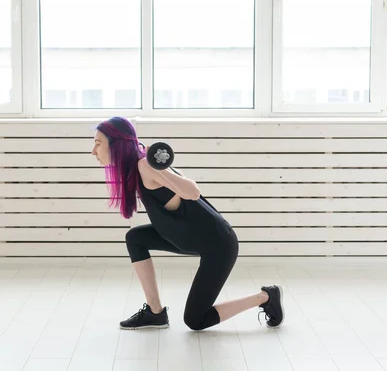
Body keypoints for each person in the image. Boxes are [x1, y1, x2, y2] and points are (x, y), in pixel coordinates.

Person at [91, 116, 284, 331]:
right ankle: (155, 313)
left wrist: (161, 170)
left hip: (218, 244)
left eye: (98, 143)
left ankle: (266, 296)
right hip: (186, 238)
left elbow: (192, 192)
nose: (93, 151)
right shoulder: (139, 168)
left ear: (117, 145)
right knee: (135, 238)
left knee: (195, 320)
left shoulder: (146, 165)